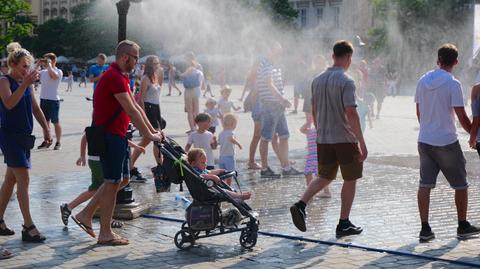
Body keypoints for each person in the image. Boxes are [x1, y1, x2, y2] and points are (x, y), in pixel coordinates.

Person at [72, 40, 163, 246]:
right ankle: (105, 232)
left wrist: (152, 131)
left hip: (119, 136)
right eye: (135, 59)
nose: (137, 63)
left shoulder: (121, 76)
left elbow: (137, 109)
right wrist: (150, 134)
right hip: (110, 136)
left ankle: (86, 213)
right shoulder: (114, 77)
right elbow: (131, 110)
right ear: (125, 57)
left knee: (121, 180)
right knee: (113, 182)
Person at [290, 40, 367, 237]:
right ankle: (344, 222)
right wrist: (361, 142)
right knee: (350, 179)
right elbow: (351, 112)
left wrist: (319, 130)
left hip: (323, 137)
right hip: (344, 138)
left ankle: (300, 204)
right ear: (349, 57)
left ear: (333, 56)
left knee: (325, 176)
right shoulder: (347, 81)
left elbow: (314, 110)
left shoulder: (317, 80)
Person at [415, 43, 479, 242]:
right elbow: (461, 115)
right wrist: (473, 134)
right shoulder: (453, 83)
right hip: (446, 140)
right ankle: (462, 225)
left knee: (425, 184)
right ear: (456, 62)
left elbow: (418, 111)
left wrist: (427, 127)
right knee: (460, 185)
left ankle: (425, 229)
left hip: (424, 139)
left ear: (438, 60)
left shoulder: (422, 80)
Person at [0, 42, 52, 243]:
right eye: (23, 66)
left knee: (11, 180)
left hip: (24, 137)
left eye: (28, 67)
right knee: (24, 179)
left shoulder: (26, 84)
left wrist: (47, 129)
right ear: (13, 64)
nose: (26, 70)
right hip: (9, 136)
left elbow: (36, 109)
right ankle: (28, 226)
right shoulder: (4, 81)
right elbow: (9, 103)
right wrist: (24, 84)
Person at [60, 133, 145, 228]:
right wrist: (82, 155)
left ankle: (68, 207)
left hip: (96, 160)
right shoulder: (102, 123)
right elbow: (86, 136)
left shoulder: (103, 124)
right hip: (100, 161)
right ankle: (108, 219)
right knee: (108, 189)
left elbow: (120, 137)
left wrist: (135, 146)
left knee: (95, 190)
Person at [256, 42, 302, 178]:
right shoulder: (265, 64)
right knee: (266, 137)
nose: (279, 55)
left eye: (280, 52)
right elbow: (269, 84)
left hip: (278, 106)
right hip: (270, 105)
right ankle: (264, 169)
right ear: (269, 51)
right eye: (277, 52)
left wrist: (281, 101)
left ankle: (286, 167)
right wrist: (282, 99)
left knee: (284, 136)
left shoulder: (273, 65)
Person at [129, 55, 164, 183]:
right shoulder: (145, 79)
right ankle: (161, 167)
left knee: (146, 141)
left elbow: (158, 94)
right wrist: (143, 115)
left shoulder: (156, 76)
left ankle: (130, 164)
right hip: (148, 109)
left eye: (158, 63)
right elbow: (140, 99)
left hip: (156, 108)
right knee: (157, 140)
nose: (157, 66)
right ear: (149, 65)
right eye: (155, 64)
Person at [300, 114, 331, 198]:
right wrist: (308, 122)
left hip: (320, 156)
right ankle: (310, 192)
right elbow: (301, 130)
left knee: (320, 175)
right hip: (311, 156)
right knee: (308, 174)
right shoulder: (310, 130)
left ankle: (327, 192)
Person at [37, 53, 62, 150]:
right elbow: (31, 75)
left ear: (53, 61)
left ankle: (58, 142)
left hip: (53, 100)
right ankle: (47, 140)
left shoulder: (58, 71)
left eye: (47, 60)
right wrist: (38, 64)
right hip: (43, 99)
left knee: (55, 122)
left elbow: (54, 77)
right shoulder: (43, 71)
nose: (45, 62)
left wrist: (50, 65)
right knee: (45, 122)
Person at [181, 52, 205, 133]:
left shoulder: (190, 67)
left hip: (189, 90)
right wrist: (203, 86)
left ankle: (192, 128)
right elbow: (202, 77)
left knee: (190, 111)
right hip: (197, 90)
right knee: (196, 110)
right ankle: (197, 127)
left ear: (188, 58)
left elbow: (183, 76)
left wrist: (181, 75)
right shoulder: (199, 66)